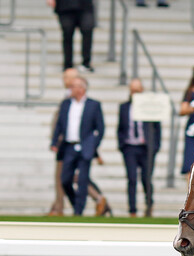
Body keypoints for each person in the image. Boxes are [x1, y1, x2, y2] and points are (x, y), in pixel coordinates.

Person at [48, 68, 110, 216]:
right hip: (68, 146)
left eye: (73, 85)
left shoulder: (93, 105)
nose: (69, 87)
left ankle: (78, 211)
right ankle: (78, 203)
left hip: (85, 147)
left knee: (82, 181)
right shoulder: (66, 103)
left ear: (81, 88)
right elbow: (59, 125)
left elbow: (100, 128)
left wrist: (93, 145)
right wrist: (54, 141)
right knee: (65, 179)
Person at [118, 78, 161, 217]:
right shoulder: (124, 107)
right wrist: (122, 144)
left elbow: (157, 128)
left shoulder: (149, 107)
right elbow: (120, 127)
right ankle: (132, 210)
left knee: (146, 178)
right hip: (130, 146)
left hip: (146, 147)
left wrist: (155, 146)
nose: (135, 93)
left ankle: (149, 205)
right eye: (133, 90)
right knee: (131, 178)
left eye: (137, 90)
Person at [47, 0, 95, 72]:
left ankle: (86, 63)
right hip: (65, 6)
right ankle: (68, 64)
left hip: (85, 5)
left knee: (87, 29)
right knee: (67, 34)